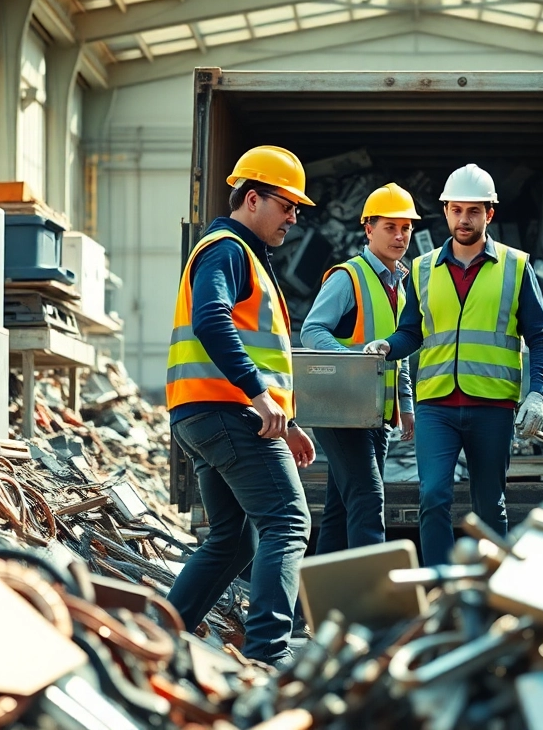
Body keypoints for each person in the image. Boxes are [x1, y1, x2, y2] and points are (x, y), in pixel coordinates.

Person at [164, 145, 316, 666]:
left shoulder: (236, 252)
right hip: (229, 411)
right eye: (287, 205)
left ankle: (159, 637)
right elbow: (212, 319)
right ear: (252, 199)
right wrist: (259, 397)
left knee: (233, 541)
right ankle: (269, 655)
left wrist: (287, 422)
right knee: (288, 522)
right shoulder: (228, 248)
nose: (293, 218)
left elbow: (249, 341)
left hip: (204, 414)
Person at [365, 164, 543, 567]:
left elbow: (541, 337)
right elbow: (412, 333)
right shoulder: (421, 268)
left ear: (490, 214)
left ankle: (491, 593)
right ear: (446, 211)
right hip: (437, 407)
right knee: (433, 495)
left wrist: (536, 394)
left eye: (473, 211)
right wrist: (388, 346)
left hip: (492, 406)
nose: (463, 219)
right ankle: (436, 587)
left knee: (490, 504)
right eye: (456, 209)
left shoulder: (517, 267)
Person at [300, 183, 419, 553]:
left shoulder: (400, 282)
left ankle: (316, 607)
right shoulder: (347, 277)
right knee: (368, 500)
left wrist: (407, 404)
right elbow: (311, 330)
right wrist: (353, 365)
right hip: (340, 410)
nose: (399, 236)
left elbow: (394, 349)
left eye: (406, 228)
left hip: (374, 412)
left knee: (339, 509)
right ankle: (373, 604)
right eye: (390, 227)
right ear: (368, 229)